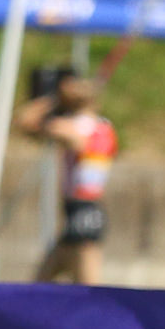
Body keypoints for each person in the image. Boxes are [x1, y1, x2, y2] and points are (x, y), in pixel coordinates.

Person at [18, 72, 117, 286]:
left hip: (84, 211)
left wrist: (50, 100)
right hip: (81, 211)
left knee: (86, 286)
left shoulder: (77, 128)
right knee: (42, 282)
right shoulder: (104, 128)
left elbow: (26, 123)